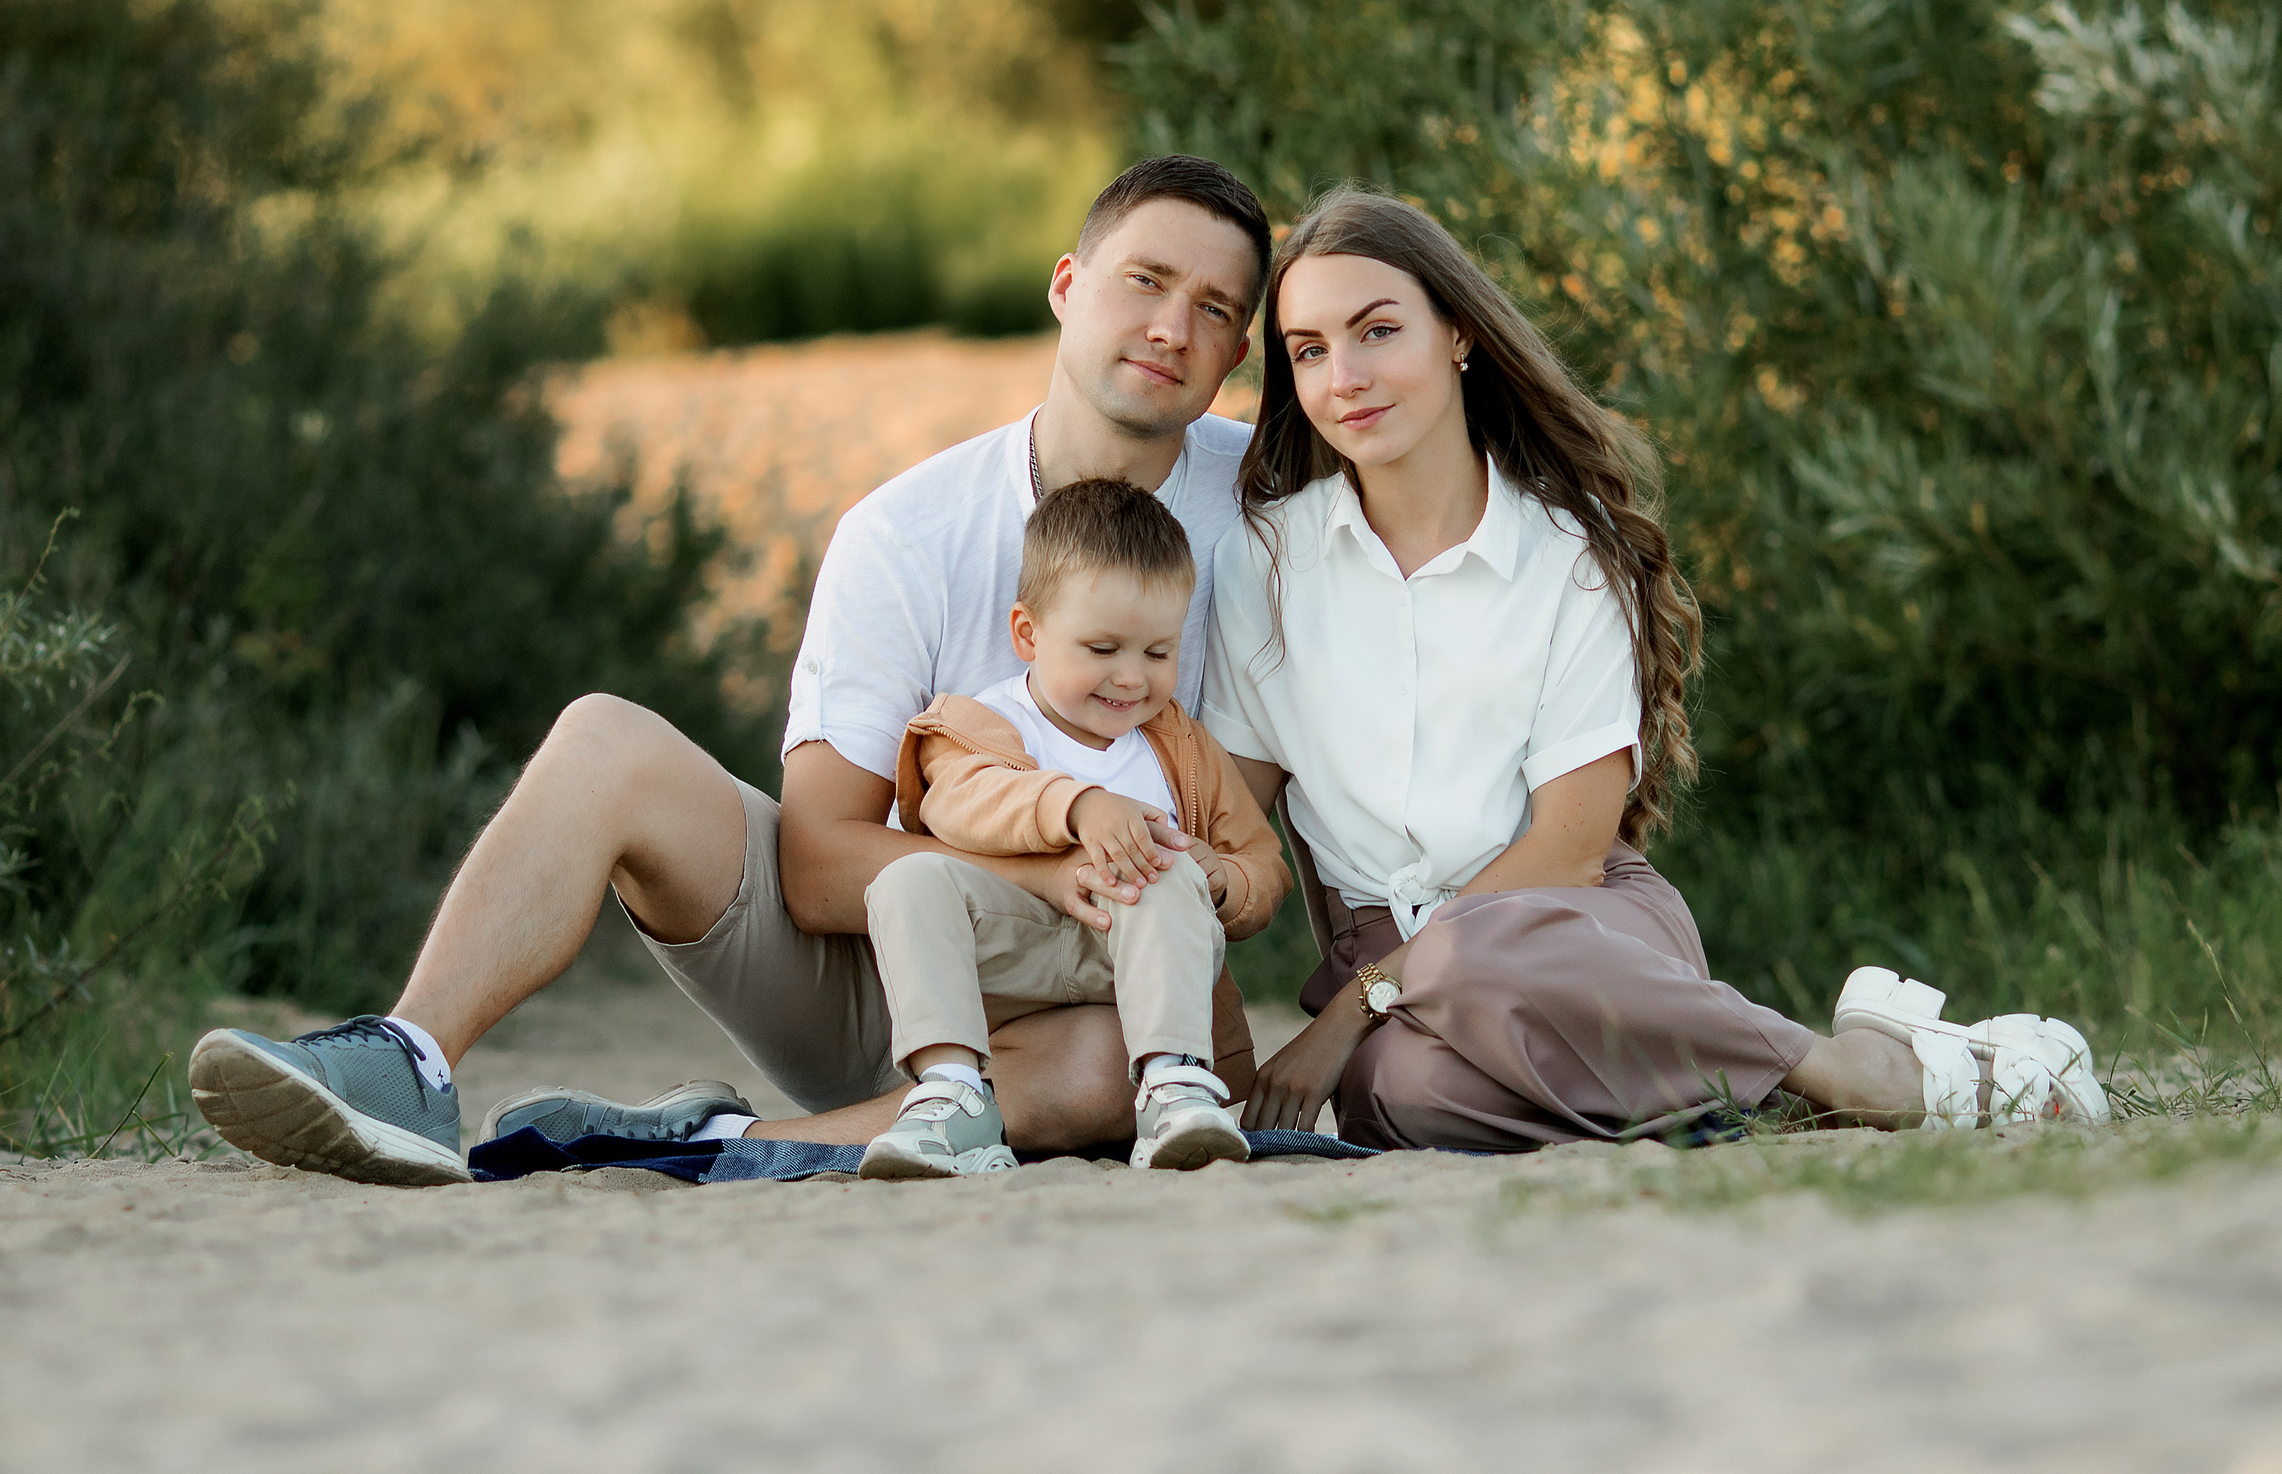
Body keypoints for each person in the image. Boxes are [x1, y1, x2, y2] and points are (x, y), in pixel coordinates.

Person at [188, 156, 1277, 1186]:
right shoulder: (907, 532)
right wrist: (1050, 871)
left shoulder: (1272, 515)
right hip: (887, 979)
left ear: (1236, 354)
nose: (1171, 327)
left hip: (1107, 1010)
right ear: (1066, 285)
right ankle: (406, 1061)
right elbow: (814, 866)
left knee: (1110, 1070)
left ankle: (718, 1143)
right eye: (1145, 281)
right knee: (607, 738)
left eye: (1216, 309)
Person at [1204, 187, 2109, 1148]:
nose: (1345, 374)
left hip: (1575, 931)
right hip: (1401, 980)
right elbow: (1235, 819)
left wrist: (1351, 1008)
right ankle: (1768, 1083)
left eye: (1377, 330)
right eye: (1308, 349)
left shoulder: (1567, 555)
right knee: (1407, 1094)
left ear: (1459, 333)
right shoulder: (1264, 563)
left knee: (1466, 970)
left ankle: (1853, 1067)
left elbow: (1567, 852)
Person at [858, 479, 1290, 1179]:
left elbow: (1264, 862)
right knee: (906, 878)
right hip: (1014, 950)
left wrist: (1223, 879)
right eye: (1102, 648)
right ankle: (951, 1092)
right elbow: (958, 802)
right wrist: (1079, 804)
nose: (1130, 677)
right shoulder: (978, 724)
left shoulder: (1179, 745)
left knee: (1169, 869)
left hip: (1138, 959)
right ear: (1028, 633)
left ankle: (1173, 1086)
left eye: (1157, 653)